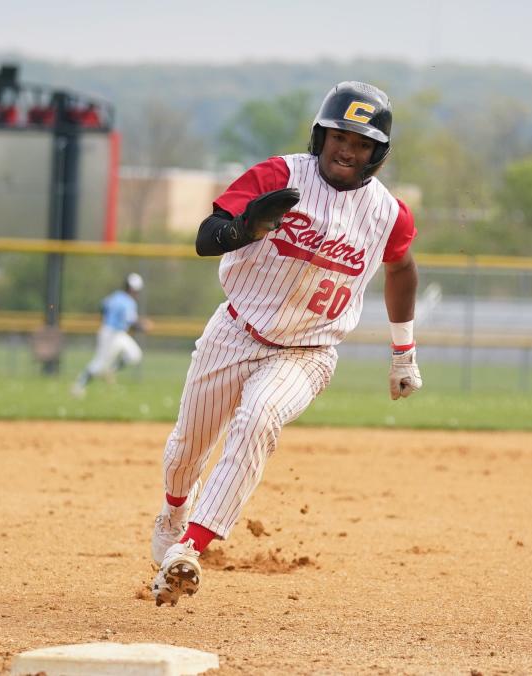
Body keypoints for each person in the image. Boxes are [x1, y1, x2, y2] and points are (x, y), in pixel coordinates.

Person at [150, 81, 423, 606]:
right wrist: (244, 230)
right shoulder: (279, 175)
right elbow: (207, 237)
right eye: (340, 136)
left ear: (377, 154)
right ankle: (174, 512)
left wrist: (403, 352)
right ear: (320, 136)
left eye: (362, 143)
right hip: (234, 331)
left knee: (259, 419)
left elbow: (402, 269)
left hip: (308, 352)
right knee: (187, 450)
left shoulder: (389, 213)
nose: (348, 149)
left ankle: (190, 547)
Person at [71, 272, 152, 397]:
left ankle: (111, 370)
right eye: (137, 290)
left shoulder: (115, 296)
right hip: (111, 334)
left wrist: (108, 318)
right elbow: (132, 323)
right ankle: (78, 385)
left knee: (135, 355)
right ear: (131, 289)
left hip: (117, 333)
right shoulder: (128, 302)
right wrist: (144, 326)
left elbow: (102, 307)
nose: (138, 293)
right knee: (98, 364)